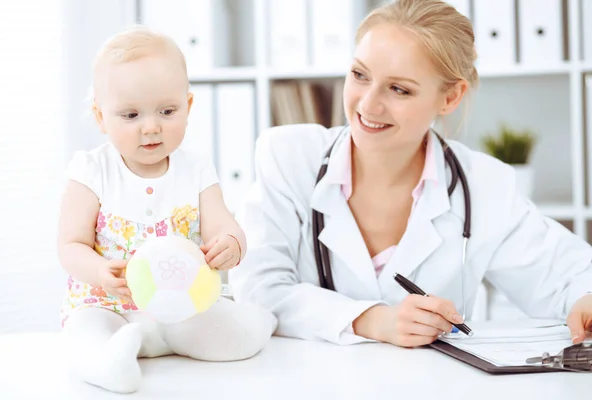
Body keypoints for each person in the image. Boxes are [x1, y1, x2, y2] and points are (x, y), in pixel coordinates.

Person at [229, 0, 592, 348]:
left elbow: (569, 275)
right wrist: (372, 320)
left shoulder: (483, 185)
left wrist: (584, 301)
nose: (368, 104)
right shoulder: (291, 157)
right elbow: (258, 288)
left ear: (449, 98)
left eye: (399, 89)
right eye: (359, 75)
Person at [57, 27, 276, 393]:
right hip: (109, 305)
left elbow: (223, 224)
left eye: (167, 111)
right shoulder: (92, 170)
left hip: (182, 307)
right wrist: (99, 270)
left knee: (240, 337)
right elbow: (70, 245)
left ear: (187, 107)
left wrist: (231, 243)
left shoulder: (196, 168)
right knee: (85, 334)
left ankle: (252, 325)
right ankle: (111, 362)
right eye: (130, 115)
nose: (151, 127)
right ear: (100, 117)